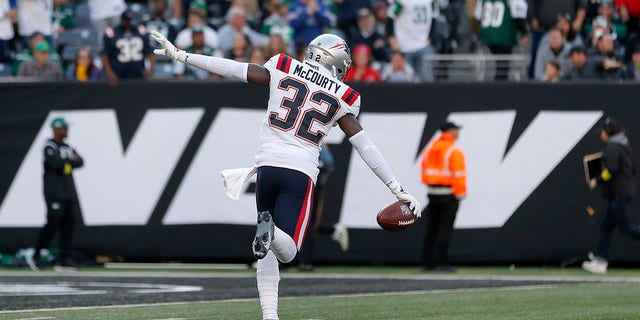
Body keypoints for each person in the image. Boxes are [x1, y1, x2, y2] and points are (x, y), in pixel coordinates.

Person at [151, 30, 421, 320]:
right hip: (299, 172)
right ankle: (273, 234)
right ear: (338, 62)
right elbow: (364, 144)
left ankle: (270, 315)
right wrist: (396, 187)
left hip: (267, 168)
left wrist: (183, 55)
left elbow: (234, 69)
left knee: (267, 252)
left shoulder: (284, 66)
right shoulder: (344, 95)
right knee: (288, 251)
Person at [582, 117, 640, 274]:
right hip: (621, 193)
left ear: (607, 133)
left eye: (601, 131)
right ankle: (600, 260)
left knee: (626, 228)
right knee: (606, 227)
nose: (600, 135)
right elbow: (633, 169)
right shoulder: (624, 146)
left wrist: (597, 180)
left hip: (619, 194)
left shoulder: (613, 148)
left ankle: (600, 260)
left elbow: (612, 170)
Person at [25, 117, 84, 272]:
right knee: (53, 223)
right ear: (56, 129)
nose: (66, 131)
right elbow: (56, 164)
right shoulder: (49, 146)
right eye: (64, 128)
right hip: (54, 192)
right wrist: (69, 164)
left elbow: (81, 161)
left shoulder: (68, 146)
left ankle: (64, 260)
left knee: (69, 225)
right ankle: (36, 255)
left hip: (69, 192)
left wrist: (67, 165)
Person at [420, 121, 466, 272]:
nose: (458, 133)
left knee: (431, 229)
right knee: (445, 229)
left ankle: (427, 263)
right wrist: (460, 195)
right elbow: (459, 175)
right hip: (449, 195)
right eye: (456, 130)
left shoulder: (430, 148)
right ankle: (442, 262)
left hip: (432, 193)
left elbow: (424, 170)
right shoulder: (453, 150)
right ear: (450, 131)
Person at [297, 146, 349, 271]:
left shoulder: (316, 144)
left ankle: (305, 260)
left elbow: (328, 163)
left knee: (309, 222)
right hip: (295, 183)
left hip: (311, 185)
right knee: (292, 220)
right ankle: (332, 230)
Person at [473, 0, 528, 80]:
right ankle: (500, 85)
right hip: (504, 36)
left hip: (487, 36)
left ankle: (498, 82)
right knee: (503, 65)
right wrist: (524, 32)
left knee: (499, 64)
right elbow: (519, 17)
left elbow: (477, 16)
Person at [101, 10, 155, 85]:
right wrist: (110, 72)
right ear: (122, 21)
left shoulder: (140, 31)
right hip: (118, 76)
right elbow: (105, 54)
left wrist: (150, 69)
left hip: (139, 75)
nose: (130, 25)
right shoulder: (112, 33)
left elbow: (150, 51)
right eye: (128, 22)